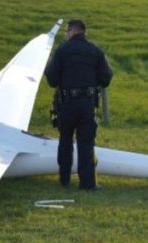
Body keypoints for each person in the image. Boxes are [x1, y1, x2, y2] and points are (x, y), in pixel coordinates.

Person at [44, 19, 113, 190]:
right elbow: (106, 77)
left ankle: (64, 179)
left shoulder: (62, 50)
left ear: (72, 31)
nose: (66, 34)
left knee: (65, 141)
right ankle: (87, 184)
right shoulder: (95, 51)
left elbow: (51, 78)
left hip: (66, 103)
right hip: (86, 104)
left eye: (66, 31)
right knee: (86, 143)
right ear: (83, 32)